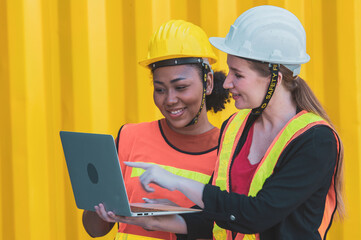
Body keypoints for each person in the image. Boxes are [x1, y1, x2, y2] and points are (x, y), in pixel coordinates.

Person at [95, 5, 345, 240]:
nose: (226, 83)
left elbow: (255, 215)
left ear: (274, 79)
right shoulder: (235, 127)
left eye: (238, 74)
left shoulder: (315, 141)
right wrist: (157, 219)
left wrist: (177, 181)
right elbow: (220, 216)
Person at [82, 20, 230, 240]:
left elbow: (228, 232)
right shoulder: (129, 137)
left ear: (207, 82)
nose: (170, 99)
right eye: (160, 89)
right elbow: (94, 229)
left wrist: (178, 217)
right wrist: (101, 198)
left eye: (181, 87)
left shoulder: (227, 152)